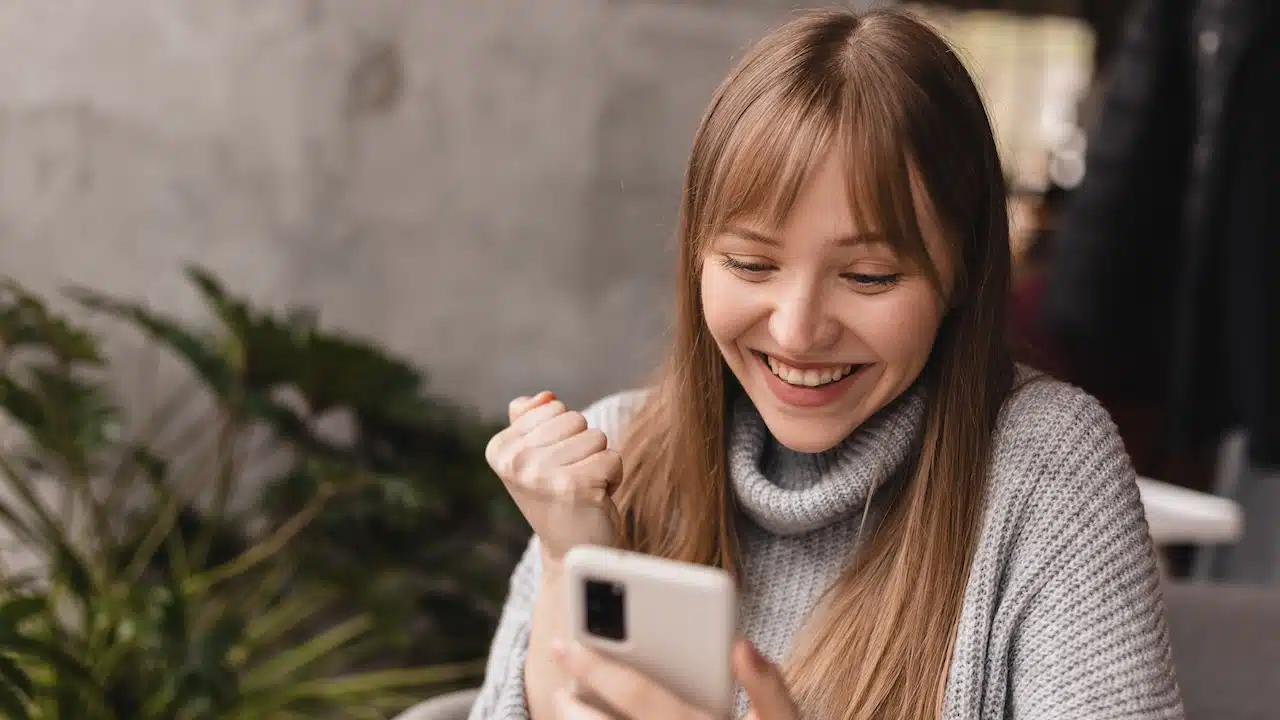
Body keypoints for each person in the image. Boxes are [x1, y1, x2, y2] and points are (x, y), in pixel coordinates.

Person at [473, 8, 1182, 720]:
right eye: (751, 265)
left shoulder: (1047, 470)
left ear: (962, 268)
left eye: (869, 277)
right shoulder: (614, 455)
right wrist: (574, 564)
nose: (798, 330)